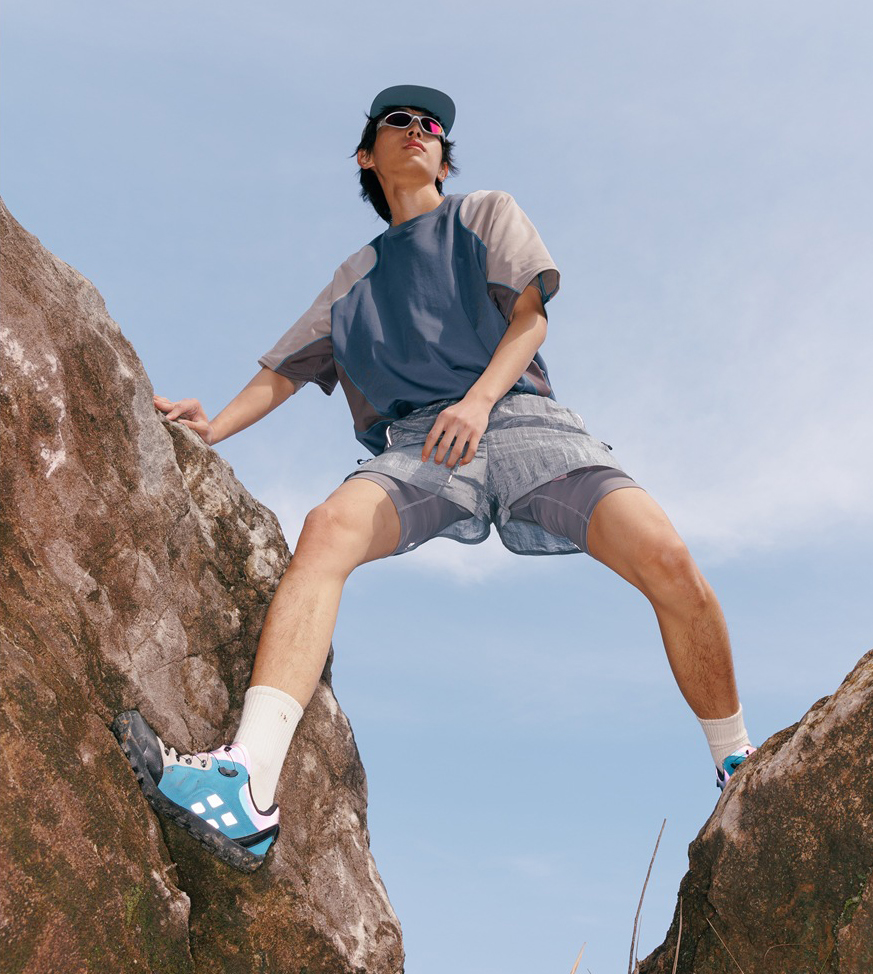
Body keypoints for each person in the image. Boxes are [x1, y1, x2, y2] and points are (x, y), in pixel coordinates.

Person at [114, 85, 755, 873]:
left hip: (521, 418)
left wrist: (480, 402)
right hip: (420, 443)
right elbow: (284, 372)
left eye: (433, 126)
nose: (420, 130)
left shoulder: (485, 213)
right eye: (400, 121)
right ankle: (247, 785)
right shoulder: (354, 278)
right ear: (365, 154)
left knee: (668, 559)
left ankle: (737, 763)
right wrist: (211, 426)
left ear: (445, 157)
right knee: (327, 529)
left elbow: (530, 318)